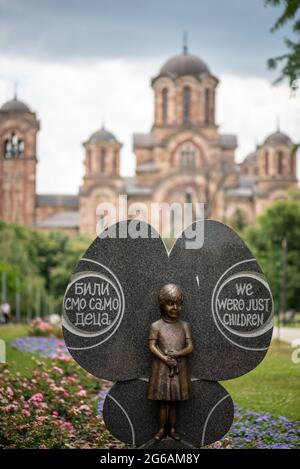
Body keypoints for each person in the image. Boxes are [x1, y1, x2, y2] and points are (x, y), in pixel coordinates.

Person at [147, 284, 193, 441]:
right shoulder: (156, 326)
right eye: (171, 303)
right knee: (163, 402)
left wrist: (178, 354)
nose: (175, 308)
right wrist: (164, 358)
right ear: (162, 304)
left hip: (178, 368)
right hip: (161, 368)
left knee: (174, 402)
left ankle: (173, 430)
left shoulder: (184, 326)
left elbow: (190, 347)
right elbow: (152, 346)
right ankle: (161, 429)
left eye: (179, 304)